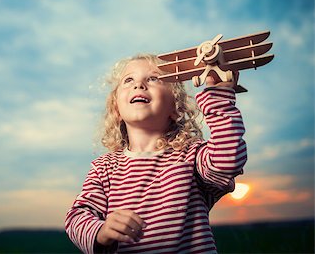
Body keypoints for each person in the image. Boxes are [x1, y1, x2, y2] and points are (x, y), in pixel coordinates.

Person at [65, 54, 247, 253]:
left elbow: (228, 158)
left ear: (175, 107)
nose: (139, 85)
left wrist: (219, 96)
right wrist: (101, 232)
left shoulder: (191, 156)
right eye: (128, 80)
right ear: (116, 108)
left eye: (153, 78)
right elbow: (77, 217)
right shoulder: (104, 168)